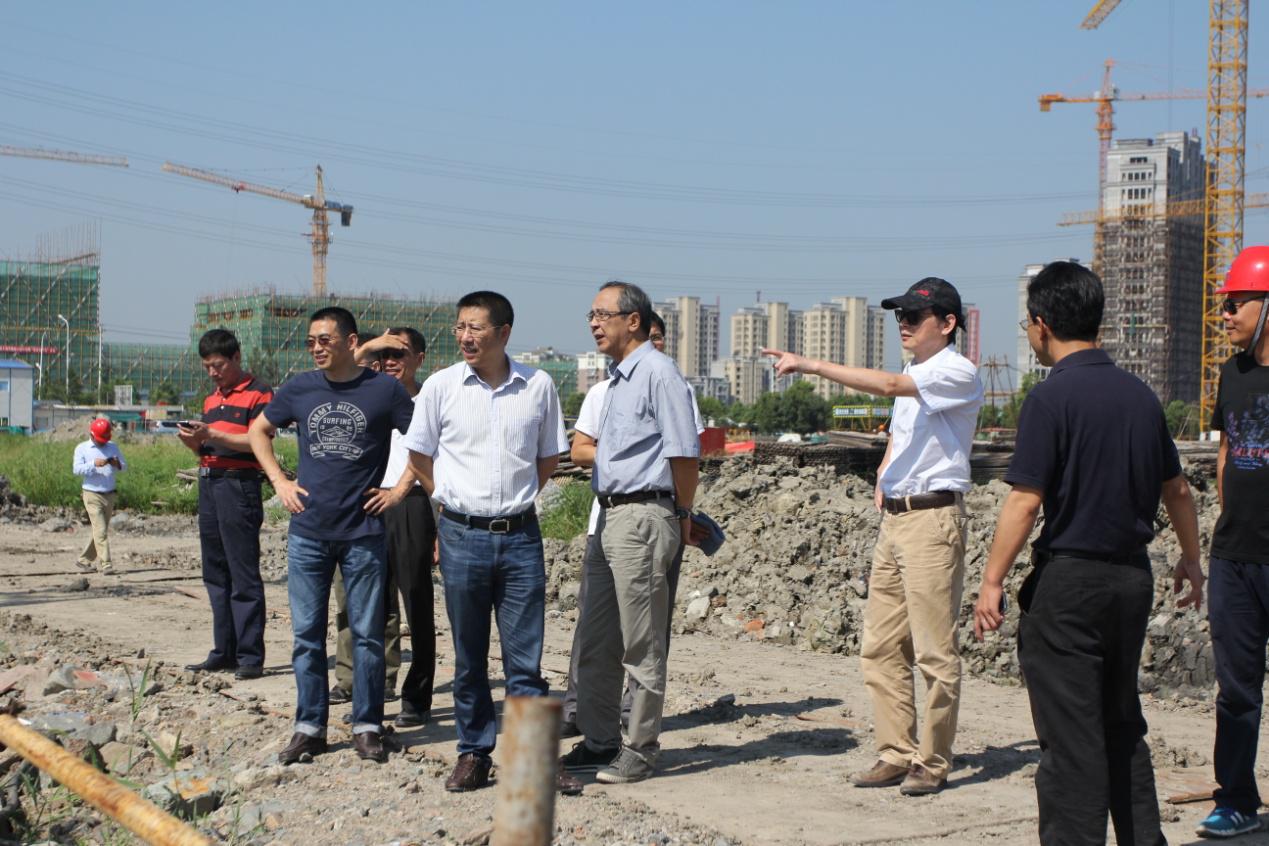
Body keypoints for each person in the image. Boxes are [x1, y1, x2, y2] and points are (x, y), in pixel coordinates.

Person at [972, 261, 1204, 844]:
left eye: (1027, 324)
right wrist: (1191, 559)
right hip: (1131, 581)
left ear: (1042, 324)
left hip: (1070, 586)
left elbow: (1025, 501)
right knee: (1122, 726)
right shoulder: (1141, 397)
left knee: (1072, 743)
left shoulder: (1051, 399)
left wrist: (992, 581)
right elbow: (1177, 490)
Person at [764, 276, 984, 796]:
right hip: (897, 521)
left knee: (934, 652)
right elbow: (902, 430)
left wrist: (811, 364)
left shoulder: (957, 371)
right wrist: (885, 471)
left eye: (914, 316)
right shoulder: (915, 371)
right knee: (881, 645)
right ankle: (895, 751)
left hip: (932, 521)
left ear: (947, 323)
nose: (903, 324)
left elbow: (886, 389)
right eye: (899, 316)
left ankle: (932, 760)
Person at [402, 291, 571, 792]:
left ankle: (533, 761)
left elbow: (548, 458)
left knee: (525, 658)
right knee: (469, 656)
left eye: (475, 327)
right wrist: (448, 500)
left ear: (503, 332)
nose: (465, 336)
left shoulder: (537, 386)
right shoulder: (441, 387)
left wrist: (515, 500)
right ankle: (473, 752)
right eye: (459, 327)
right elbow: (419, 456)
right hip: (462, 536)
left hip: (520, 538)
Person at [248, 306, 415, 765]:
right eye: (311, 342)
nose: (317, 348)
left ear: (350, 341)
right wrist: (279, 481)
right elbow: (258, 431)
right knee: (306, 636)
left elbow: (424, 440)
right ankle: (309, 728)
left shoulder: (383, 390)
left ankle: (367, 726)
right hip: (308, 533)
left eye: (325, 340)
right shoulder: (300, 388)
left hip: (363, 532)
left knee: (366, 635)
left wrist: (399, 490)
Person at [563, 281, 700, 785]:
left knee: (641, 641)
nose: (593, 323)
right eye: (591, 315)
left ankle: (640, 749)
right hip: (610, 515)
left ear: (633, 321)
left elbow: (685, 455)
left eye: (602, 315)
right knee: (597, 638)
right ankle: (599, 740)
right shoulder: (619, 380)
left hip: (643, 515)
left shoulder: (659, 374)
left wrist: (681, 514)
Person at [1193, 246, 1269, 839]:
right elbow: (1224, 453)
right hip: (1236, 558)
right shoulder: (1232, 374)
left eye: (1236, 302)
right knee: (1237, 689)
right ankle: (1236, 799)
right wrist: (1231, 519)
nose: (1225, 314)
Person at [329, 327, 438, 729]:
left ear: (419, 359)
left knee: (416, 602)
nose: (390, 361)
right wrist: (371, 347)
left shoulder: (429, 401)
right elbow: (344, 366)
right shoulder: (370, 395)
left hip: (410, 504)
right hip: (368, 506)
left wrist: (437, 523)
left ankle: (417, 697)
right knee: (369, 607)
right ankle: (369, 696)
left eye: (400, 353)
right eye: (384, 355)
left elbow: (432, 459)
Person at [178, 329, 273, 681]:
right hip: (209, 482)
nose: (213, 373)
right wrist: (195, 442)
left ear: (236, 358)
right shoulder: (211, 400)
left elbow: (258, 441)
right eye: (207, 367)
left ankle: (250, 656)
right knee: (216, 572)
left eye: (218, 365)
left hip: (238, 484)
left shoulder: (259, 393)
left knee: (242, 572)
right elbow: (208, 448)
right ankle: (224, 650)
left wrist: (213, 434)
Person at [73, 418, 126, 576]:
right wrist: (93, 464)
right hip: (91, 494)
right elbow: (76, 469)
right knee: (101, 530)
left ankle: (83, 560)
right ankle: (106, 564)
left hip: (109, 494)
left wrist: (117, 464)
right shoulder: (82, 448)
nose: (103, 442)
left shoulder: (113, 447)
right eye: (100, 439)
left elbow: (124, 467)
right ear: (91, 434)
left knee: (99, 530)